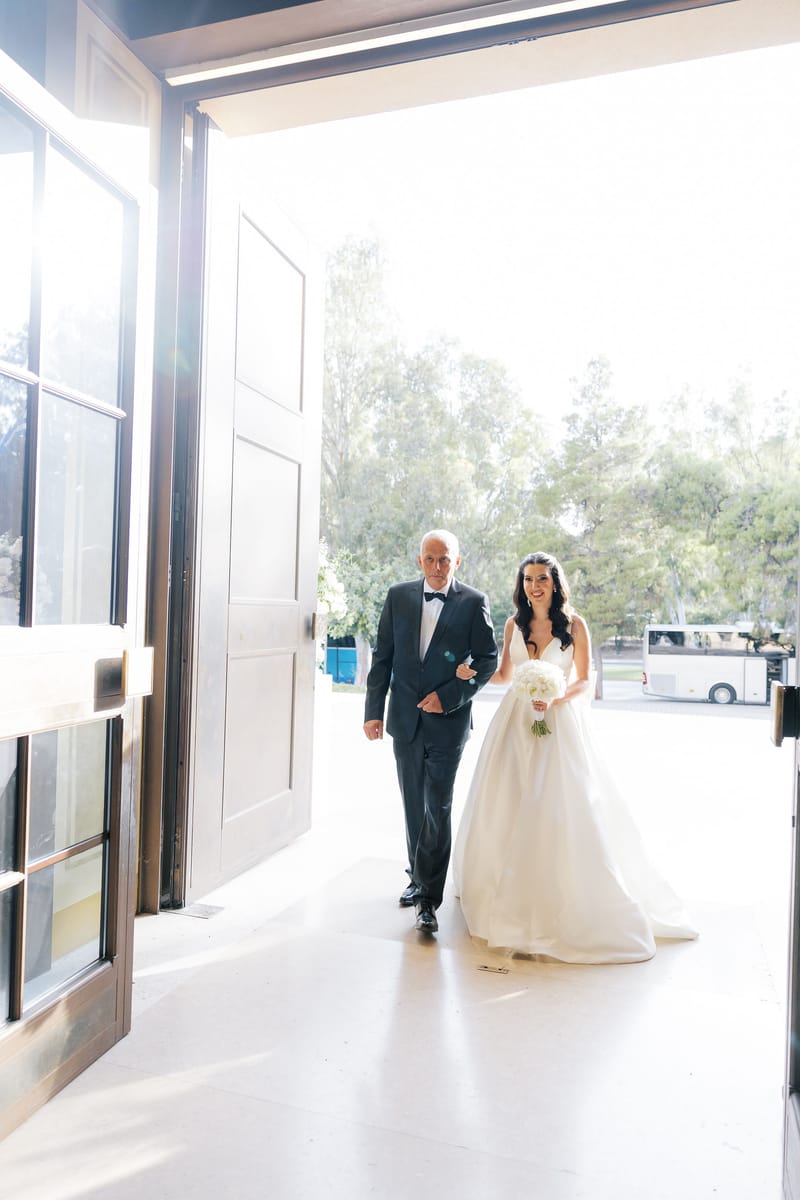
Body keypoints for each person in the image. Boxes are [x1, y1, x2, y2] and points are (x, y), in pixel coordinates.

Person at [452, 551, 697, 963]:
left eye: (542, 578)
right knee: (507, 801)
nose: (535, 585)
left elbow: (585, 680)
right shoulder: (513, 624)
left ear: (554, 582)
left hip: (559, 723)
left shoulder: (575, 625)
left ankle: (561, 899)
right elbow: (505, 676)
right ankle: (506, 896)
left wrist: (553, 696)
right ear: (522, 584)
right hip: (514, 725)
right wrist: (470, 673)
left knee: (559, 807)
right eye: (528, 579)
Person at [364, 530, 498, 935]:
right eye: (430, 559)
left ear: (457, 561)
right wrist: (374, 712)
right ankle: (418, 877)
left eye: (445, 560)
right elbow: (382, 657)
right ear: (419, 560)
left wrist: (452, 695)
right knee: (412, 806)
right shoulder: (398, 596)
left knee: (436, 807)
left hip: (448, 724)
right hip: (404, 720)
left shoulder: (474, 603)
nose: (437, 567)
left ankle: (428, 900)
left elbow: (488, 658)